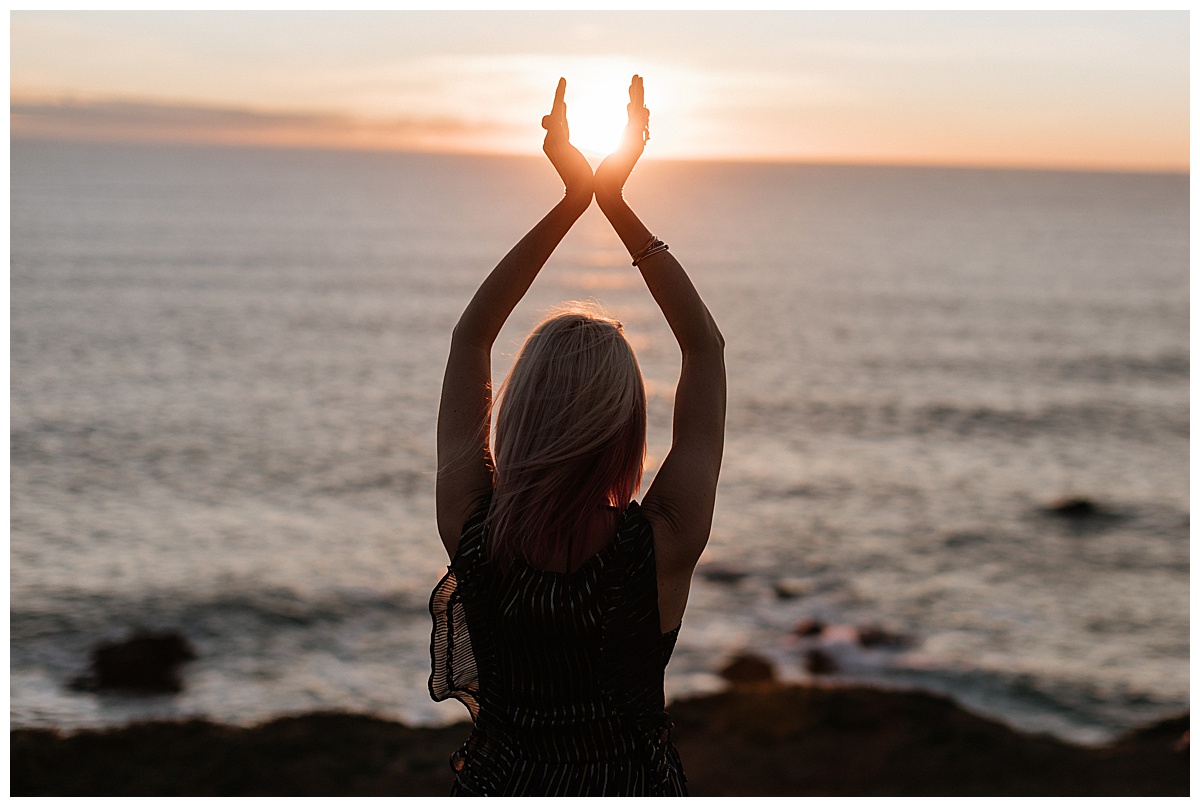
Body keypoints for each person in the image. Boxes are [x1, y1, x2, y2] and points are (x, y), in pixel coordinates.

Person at [429, 75, 726, 797]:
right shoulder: (660, 544)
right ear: (625, 429)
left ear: (520, 412)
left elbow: (472, 338)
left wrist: (569, 201)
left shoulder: (472, 527)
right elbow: (704, 349)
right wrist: (617, 205)